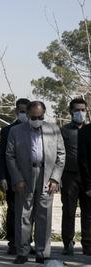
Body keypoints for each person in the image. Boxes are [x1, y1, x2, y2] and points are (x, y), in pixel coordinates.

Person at [7, 101, 65, 264]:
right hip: (25, 176)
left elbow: (61, 155)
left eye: (40, 116)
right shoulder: (16, 131)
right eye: (34, 117)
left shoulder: (53, 129)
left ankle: (42, 253)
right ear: (27, 114)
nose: (37, 119)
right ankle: (22, 252)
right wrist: (17, 178)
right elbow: (10, 156)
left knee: (44, 215)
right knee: (23, 214)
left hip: (47, 176)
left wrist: (55, 178)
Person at [0, 98, 31, 255]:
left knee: (30, 211)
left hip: (31, 177)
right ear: (16, 112)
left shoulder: (35, 129)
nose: (23, 114)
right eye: (21, 111)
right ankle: (13, 242)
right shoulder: (7, 131)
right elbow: (3, 155)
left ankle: (27, 242)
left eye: (26, 111)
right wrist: (3, 177)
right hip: (12, 177)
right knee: (13, 211)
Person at [60, 98, 91, 255]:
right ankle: (68, 243)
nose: (80, 113)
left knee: (88, 212)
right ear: (71, 112)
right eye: (77, 110)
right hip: (69, 176)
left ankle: (88, 244)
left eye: (83, 110)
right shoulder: (64, 131)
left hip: (88, 177)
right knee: (69, 211)